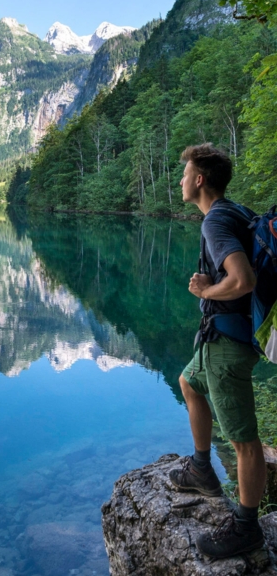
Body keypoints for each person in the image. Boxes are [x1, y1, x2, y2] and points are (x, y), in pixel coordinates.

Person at [169, 143, 265, 558]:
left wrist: (208, 289)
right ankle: (202, 469)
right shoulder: (234, 211)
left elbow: (242, 280)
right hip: (221, 338)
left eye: (185, 173)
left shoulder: (215, 223)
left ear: (200, 180)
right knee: (188, 382)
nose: (180, 180)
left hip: (228, 343)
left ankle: (247, 527)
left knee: (244, 441)